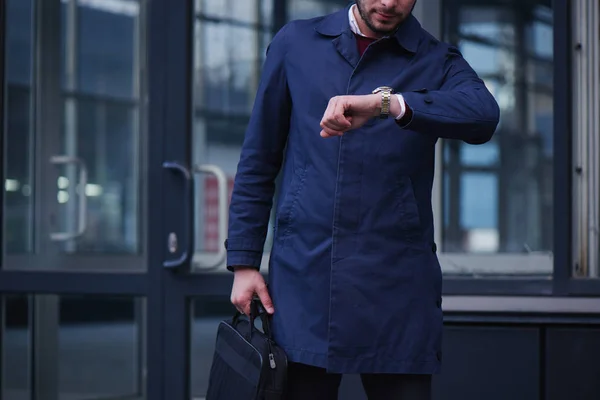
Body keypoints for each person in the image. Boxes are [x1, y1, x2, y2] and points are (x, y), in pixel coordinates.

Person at [226, 0, 500, 398]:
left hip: (397, 285)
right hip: (307, 279)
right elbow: (258, 159)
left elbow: (483, 114)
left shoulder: (435, 59)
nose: (388, 2)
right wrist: (244, 262)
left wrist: (387, 104)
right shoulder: (296, 44)